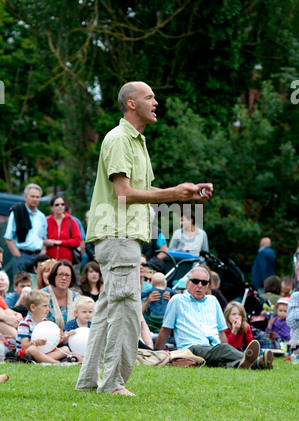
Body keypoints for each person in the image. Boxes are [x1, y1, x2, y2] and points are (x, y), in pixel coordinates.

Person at [76, 80, 213, 396]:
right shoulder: (118, 139)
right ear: (131, 104)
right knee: (125, 312)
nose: (156, 102)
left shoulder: (138, 141)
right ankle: (113, 383)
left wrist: (184, 194)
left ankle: (86, 382)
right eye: (150, 97)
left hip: (123, 236)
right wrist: (172, 194)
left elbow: (145, 192)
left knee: (107, 309)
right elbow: (123, 194)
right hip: (118, 234)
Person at [155, 266, 272, 369]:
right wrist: (157, 354)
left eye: (204, 283)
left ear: (208, 286)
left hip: (213, 347)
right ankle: (257, 361)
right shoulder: (177, 300)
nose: (199, 286)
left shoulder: (213, 300)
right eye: (195, 281)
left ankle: (243, 364)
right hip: (191, 348)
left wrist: (224, 346)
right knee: (222, 350)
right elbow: (166, 329)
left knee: (222, 359)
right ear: (188, 283)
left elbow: (221, 332)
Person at [16, 290, 76, 364]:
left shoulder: (46, 322)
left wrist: (58, 340)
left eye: (48, 306)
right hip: (26, 352)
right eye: (44, 306)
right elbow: (24, 345)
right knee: (32, 349)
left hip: (44, 352)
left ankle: (40, 360)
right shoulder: (24, 323)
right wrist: (36, 342)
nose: (48, 309)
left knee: (66, 349)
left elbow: (50, 343)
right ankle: (56, 362)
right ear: (33, 307)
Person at [4, 183, 47, 278]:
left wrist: (43, 250)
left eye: (37, 197)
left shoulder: (42, 216)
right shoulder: (17, 212)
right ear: (25, 197)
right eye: (32, 196)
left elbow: (44, 237)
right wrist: (17, 255)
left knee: (36, 287)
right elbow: (8, 237)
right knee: (21, 285)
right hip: (21, 255)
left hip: (37, 256)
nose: (35, 199)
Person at [40, 260, 80, 329]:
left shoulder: (77, 298)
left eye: (67, 275)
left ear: (71, 278)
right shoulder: (41, 296)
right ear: (53, 276)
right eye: (60, 274)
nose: (64, 278)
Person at [44, 195, 81, 264]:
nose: (60, 206)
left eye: (62, 204)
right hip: (49, 261)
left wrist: (60, 242)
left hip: (66, 261)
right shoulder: (46, 221)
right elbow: (40, 238)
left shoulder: (71, 221)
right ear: (51, 207)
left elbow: (77, 241)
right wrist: (46, 242)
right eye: (57, 205)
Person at [142, 205, 168, 273]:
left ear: (152, 218)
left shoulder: (157, 233)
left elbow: (164, 252)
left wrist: (150, 263)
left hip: (149, 267)